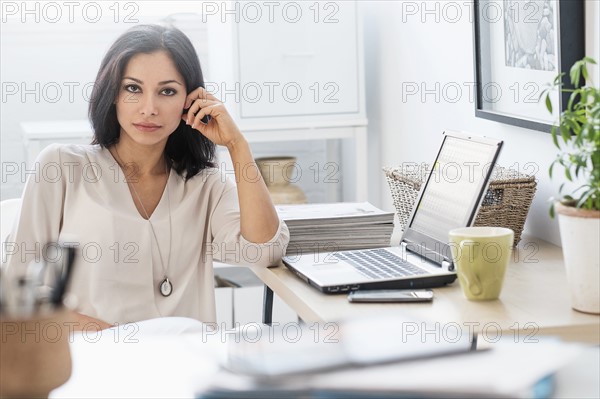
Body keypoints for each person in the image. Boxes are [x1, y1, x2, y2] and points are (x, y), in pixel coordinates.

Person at [2, 24, 289, 329]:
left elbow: (263, 251)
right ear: (112, 94)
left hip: (188, 364)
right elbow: (18, 290)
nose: (149, 109)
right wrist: (115, 340)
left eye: (167, 91)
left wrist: (237, 145)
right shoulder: (60, 166)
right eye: (133, 89)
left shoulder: (205, 184)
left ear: (189, 100)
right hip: (97, 363)